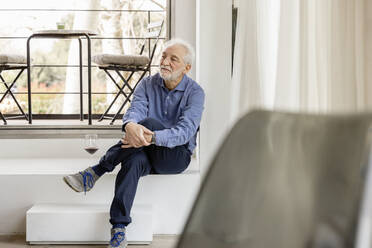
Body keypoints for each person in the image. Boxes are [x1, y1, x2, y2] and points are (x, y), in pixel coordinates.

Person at [63, 38, 205, 248]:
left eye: (173, 59)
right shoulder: (147, 84)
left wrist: (151, 136)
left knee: (147, 123)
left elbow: (184, 132)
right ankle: (119, 229)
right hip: (145, 151)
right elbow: (134, 112)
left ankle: (96, 171)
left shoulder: (195, 93)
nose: (165, 62)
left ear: (187, 67)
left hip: (175, 156)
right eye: (163, 56)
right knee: (132, 160)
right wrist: (129, 125)